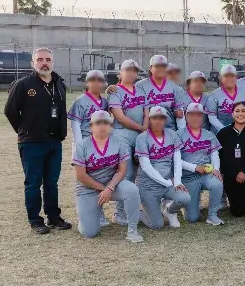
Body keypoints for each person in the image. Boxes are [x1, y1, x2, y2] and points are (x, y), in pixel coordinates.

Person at [4, 47, 71, 234]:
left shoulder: (59, 83)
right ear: (33, 63)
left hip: (54, 142)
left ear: (52, 62)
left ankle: (53, 216)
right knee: (33, 183)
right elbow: (10, 111)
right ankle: (35, 220)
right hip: (32, 142)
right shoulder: (23, 84)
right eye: (40, 59)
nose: (44, 63)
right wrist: (24, 130)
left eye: (48, 59)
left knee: (52, 182)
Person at [72, 110, 144, 242]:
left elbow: (122, 171)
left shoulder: (119, 142)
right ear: (91, 127)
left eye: (106, 123)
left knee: (132, 190)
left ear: (111, 126)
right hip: (88, 188)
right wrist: (102, 189)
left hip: (112, 184)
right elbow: (81, 176)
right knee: (89, 232)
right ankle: (90, 213)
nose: (102, 126)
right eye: (98, 123)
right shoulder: (82, 146)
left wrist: (109, 188)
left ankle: (132, 231)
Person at [134, 105, 191, 229]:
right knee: (157, 225)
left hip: (167, 182)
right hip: (148, 185)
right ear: (150, 119)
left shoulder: (172, 134)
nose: (158, 121)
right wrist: (168, 183)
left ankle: (169, 211)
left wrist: (177, 181)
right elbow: (146, 166)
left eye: (161, 118)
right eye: (155, 118)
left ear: (166, 120)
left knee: (185, 198)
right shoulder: (142, 138)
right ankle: (135, 212)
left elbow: (177, 160)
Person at [108, 59, 148, 225]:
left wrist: (144, 130)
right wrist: (141, 129)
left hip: (139, 135)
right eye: (128, 70)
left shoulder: (140, 90)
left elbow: (147, 111)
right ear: (120, 73)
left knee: (140, 172)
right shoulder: (115, 91)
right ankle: (119, 213)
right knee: (126, 173)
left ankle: (133, 208)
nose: (131, 73)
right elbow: (120, 117)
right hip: (122, 135)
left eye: (134, 70)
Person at [176, 103, 225, 225]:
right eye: (192, 114)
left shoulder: (209, 134)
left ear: (202, 117)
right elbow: (175, 160)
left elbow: (215, 154)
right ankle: (187, 205)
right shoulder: (178, 135)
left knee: (217, 182)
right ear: (186, 117)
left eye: (199, 115)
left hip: (205, 175)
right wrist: (194, 167)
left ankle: (212, 215)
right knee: (192, 218)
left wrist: (216, 169)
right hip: (188, 176)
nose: (195, 118)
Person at [135, 55, 183, 130]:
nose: (161, 69)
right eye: (157, 66)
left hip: (170, 130)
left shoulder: (174, 87)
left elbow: (180, 114)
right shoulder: (140, 86)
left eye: (164, 66)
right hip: (148, 131)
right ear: (150, 68)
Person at [69, 69, 109, 154]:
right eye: (92, 80)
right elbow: (75, 126)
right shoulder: (80, 101)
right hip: (85, 142)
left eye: (100, 80)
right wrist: (79, 146)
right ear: (87, 83)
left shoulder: (105, 102)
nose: (96, 83)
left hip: (100, 142)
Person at [212, 63, 245, 128]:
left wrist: (243, 125)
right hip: (220, 133)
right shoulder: (214, 95)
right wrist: (225, 131)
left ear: (236, 78)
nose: (229, 79)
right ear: (221, 78)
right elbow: (212, 117)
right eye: (226, 76)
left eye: (232, 76)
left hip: (240, 131)